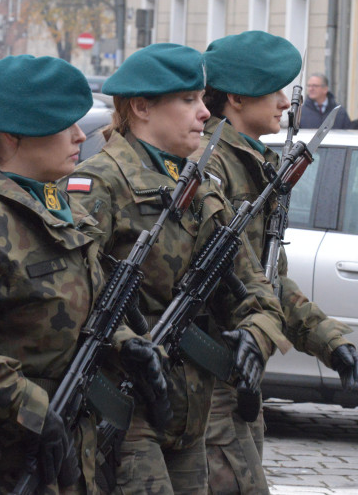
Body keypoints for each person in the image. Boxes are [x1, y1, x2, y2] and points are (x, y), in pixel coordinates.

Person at [0, 55, 168, 493]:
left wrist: (124, 344)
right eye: (63, 125)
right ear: (14, 135)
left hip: (60, 447)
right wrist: (27, 404)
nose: (80, 135)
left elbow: (75, 311)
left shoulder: (59, 210)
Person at [67, 43, 289, 494]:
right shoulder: (98, 184)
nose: (204, 112)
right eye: (188, 100)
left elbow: (255, 285)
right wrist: (126, 343)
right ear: (141, 107)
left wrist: (257, 332)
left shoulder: (199, 187)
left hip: (191, 411)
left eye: (202, 98)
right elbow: (74, 296)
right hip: (127, 406)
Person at [201, 31, 358, 494]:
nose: (283, 104)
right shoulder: (214, 166)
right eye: (271, 91)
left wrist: (327, 338)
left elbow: (271, 278)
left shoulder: (252, 163)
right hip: (211, 374)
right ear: (235, 98)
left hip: (241, 373)